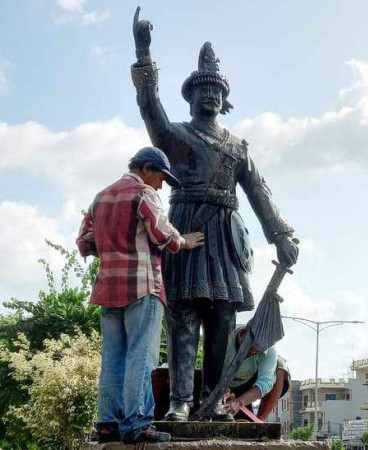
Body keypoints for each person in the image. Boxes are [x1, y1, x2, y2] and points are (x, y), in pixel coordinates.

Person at [131, 8, 299, 422]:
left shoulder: (238, 147)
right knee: (184, 316)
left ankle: (216, 400)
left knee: (223, 319)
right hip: (186, 225)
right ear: (189, 96)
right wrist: (143, 51)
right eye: (201, 89)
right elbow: (150, 107)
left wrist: (280, 234)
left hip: (226, 233)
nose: (210, 95)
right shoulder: (175, 136)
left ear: (224, 99)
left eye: (217, 90)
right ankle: (181, 401)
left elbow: (258, 190)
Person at [76, 146, 204, 443]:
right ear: (146, 168)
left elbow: (84, 242)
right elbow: (163, 235)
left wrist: (113, 252)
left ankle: (108, 423)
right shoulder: (143, 194)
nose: (160, 184)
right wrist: (184, 241)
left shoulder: (101, 197)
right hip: (143, 287)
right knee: (141, 358)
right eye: (160, 176)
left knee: (113, 358)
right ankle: (137, 423)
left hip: (108, 288)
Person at [223, 326, 290, 421]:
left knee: (280, 365)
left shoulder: (269, 349)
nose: (254, 351)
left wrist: (240, 401)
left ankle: (259, 420)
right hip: (223, 383)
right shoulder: (226, 337)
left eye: (259, 349)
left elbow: (266, 381)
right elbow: (212, 369)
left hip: (248, 385)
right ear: (242, 334)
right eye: (250, 347)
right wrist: (223, 390)